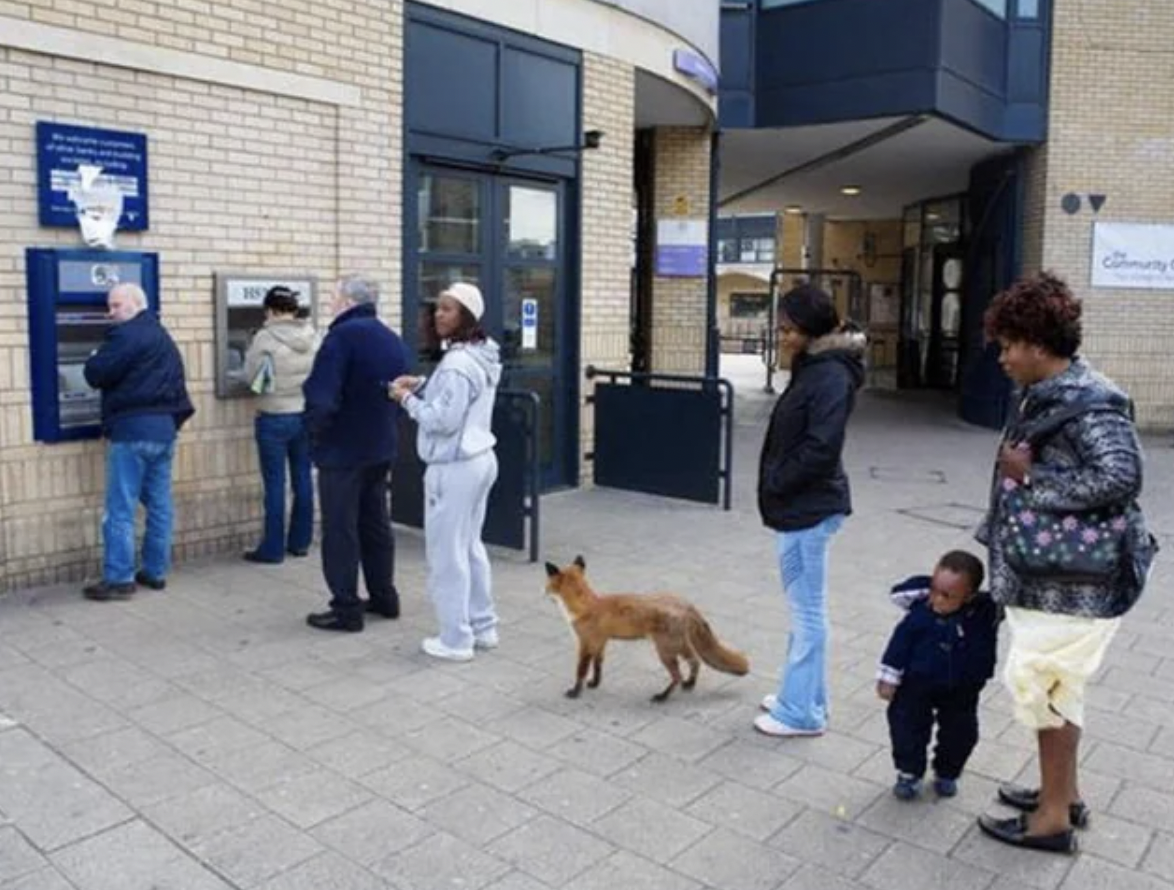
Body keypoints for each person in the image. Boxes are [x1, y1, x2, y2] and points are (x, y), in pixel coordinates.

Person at [975, 272, 1153, 854]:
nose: (1001, 357)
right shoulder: (1051, 392)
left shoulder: (1088, 401)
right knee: (1059, 690)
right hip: (1057, 578)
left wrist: (1032, 478)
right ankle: (1064, 793)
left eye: (1007, 345)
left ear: (1037, 343)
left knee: (1042, 687)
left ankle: (1051, 820)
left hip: (1073, 584)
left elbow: (1121, 475)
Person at [755, 284, 866, 737]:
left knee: (807, 614)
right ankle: (803, 697)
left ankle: (799, 713)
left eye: (788, 329)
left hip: (807, 509)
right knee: (806, 609)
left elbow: (821, 448)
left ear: (811, 329)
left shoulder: (829, 376)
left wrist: (777, 483)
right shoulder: (816, 367)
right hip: (803, 506)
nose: (782, 337)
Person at [390, 282, 502, 662]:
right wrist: (423, 384)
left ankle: (455, 639)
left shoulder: (456, 362)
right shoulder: (480, 354)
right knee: (470, 546)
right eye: (437, 308)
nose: (439, 314)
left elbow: (442, 419)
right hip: (480, 457)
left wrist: (405, 399)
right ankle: (483, 627)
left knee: (445, 554)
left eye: (449, 309)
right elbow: (461, 394)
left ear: (466, 316)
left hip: (454, 465)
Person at [302, 275, 409, 632]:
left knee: (340, 529)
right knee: (375, 523)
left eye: (333, 297)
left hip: (342, 451)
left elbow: (321, 397)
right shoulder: (391, 338)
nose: (330, 304)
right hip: (380, 447)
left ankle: (346, 608)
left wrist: (314, 437)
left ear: (347, 301)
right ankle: (383, 596)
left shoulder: (341, 337)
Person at [82, 283, 194, 600]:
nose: (110, 312)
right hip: (164, 431)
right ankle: (155, 572)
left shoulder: (127, 335)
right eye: (110, 306)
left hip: (132, 432)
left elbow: (95, 374)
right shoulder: (161, 335)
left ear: (136, 304)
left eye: (116, 305)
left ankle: (119, 579)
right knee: (159, 504)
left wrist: (93, 357)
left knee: (120, 507)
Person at [877, 551, 1000, 801]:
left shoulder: (984, 613)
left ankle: (948, 771)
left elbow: (1012, 601)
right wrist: (888, 677)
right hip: (916, 682)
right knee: (906, 726)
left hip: (962, 686)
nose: (937, 599)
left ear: (970, 596)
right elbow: (899, 645)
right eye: (934, 589)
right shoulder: (920, 613)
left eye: (947, 595)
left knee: (961, 732)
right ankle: (909, 772)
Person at [242, 286, 318, 564]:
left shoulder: (264, 337)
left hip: (273, 416)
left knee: (275, 484)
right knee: (303, 479)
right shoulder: (312, 336)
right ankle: (300, 542)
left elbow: (251, 377)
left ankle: (272, 549)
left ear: (270, 310)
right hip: (303, 414)